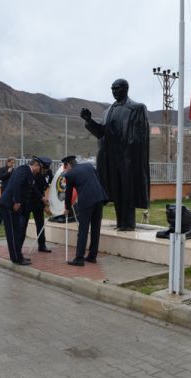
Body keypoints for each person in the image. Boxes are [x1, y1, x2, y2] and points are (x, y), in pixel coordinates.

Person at [80, 78, 150, 231]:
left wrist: (129, 149)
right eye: (112, 89)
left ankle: (128, 224)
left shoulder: (137, 108)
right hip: (110, 159)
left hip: (128, 159)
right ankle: (121, 223)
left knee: (128, 191)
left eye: (117, 89)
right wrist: (89, 121)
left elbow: (141, 135)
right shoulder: (108, 111)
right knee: (116, 191)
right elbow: (101, 134)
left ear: (125, 89)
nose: (114, 91)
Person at [62, 156, 108, 266]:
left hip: (87, 202)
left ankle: (79, 259)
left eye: (65, 167)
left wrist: (67, 208)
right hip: (99, 198)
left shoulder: (70, 174)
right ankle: (92, 256)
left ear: (68, 165)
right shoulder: (88, 165)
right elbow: (98, 180)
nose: (66, 169)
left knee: (83, 230)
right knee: (96, 228)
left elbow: (68, 193)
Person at [0, 156, 43, 265]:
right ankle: (16, 258)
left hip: (14, 205)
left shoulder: (28, 173)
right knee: (13, 233)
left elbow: (31, 188)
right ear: (36, 165)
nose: (40, 171)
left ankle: (18, 256)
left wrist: (41, 198)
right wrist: (17, 201)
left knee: (17, 231)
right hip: (10, 205)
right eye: (40, 168)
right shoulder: (24, 169)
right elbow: (17, 184)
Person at [22, 156, 53, 253]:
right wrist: (42, 197)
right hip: (29, 201)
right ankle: (19, 247)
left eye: (46, 169)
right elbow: (33, 187)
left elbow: (46, 185)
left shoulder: (48, 173)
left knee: (40, 224)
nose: (44, 171)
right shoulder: (34, 173)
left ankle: (42, 245)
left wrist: (45, 203)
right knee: (23, 224)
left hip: (39, 203)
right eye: (43, 169)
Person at [0, 157, 16, 224]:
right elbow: (1, 177)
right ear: (8, 162)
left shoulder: (14, 170)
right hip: (5, 189)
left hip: (12, 189)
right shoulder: (2, 169)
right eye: (11, 162)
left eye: (13, 163)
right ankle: (0, 220)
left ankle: (10, 219)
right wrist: (8, 172)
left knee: (12, 203)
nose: (13, 164)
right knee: (3, 204)